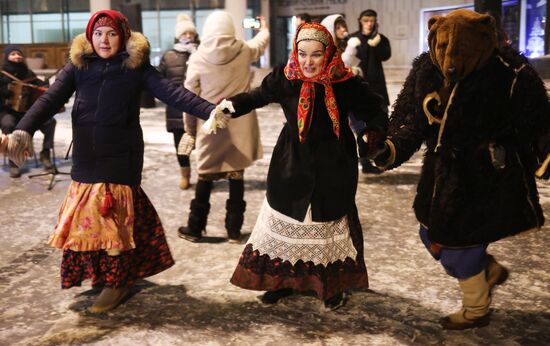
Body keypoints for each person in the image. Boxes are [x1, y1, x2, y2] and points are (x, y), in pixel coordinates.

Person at [3, 10, 229, 314]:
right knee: (90, 222)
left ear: (122, 36)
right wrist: (23, 129)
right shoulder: (78, 66)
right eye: (98, 33)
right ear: (89, 36)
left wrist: (210, 111)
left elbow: (172, 93)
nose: (104, 40)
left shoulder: (135, 67)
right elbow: (50, 99)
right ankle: (104, 275)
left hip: (120, 156)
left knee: (112, 221)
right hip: (86, 155)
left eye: (111, 33)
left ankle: (118, 283)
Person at [372, 9, 550, 329]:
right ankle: (486, 270)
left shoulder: (511, 72)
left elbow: (537, 119)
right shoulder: (426, 69)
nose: (450, 60)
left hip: (485, 175)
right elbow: (410, 119)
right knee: (430, 234)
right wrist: (389, 148)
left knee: (459, 249)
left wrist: (545, 152)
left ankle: (476, 310)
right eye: (443, 49)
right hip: (440, 172)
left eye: (462, 51)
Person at [226, 22, 388, 310]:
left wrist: (372, 130)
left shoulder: (345, 81)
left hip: (333, 162)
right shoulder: (285, 77)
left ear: (328, 53)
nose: (308, 62)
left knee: (325, 225)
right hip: (292, 160)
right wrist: (231, 105)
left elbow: (375, 107)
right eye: (302, 54)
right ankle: (283, 281)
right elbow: (257, 96)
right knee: (288, 222)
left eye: (315, 55)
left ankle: (330, 286)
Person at [177, 10, 269, 243]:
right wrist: (264, 29)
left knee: (205, 176)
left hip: (210, 127)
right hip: (240, 125)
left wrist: (190, 130)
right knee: (236, 175)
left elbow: (188, 98)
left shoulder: (198, 57)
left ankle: (195, 228)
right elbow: (259, 44)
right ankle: (234, 231)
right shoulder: (243, 50)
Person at [0, 45, 55, 178]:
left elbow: (39, 85)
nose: (17, 56)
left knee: (50, 122)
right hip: (7, 112)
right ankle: (13, 160)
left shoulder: (28, 73)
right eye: (13, 54)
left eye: (19, 54)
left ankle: (45, 153)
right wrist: (5, 93)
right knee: (8, 124)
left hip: (28, 114)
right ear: (6, 57)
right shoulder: (1, 75)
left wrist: (45, 85)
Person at [158, 13, 199, 190]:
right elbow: (157, 80)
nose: (187, 36)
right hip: (176, 109)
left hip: (198, 107)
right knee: (181, 145)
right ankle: (185, 174)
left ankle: (205, 175)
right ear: (178, 35)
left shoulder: (201, 53)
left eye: (190, 33)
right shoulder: (168, 56)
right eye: (184, 33)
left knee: (204, 145)